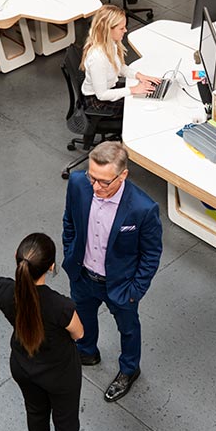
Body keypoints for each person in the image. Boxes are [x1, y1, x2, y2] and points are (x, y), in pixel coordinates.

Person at [62, 141, 163, 402]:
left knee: (128, 329)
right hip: (83, 275)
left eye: (104, 182)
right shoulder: (77, 184)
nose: (95, 187)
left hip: (120, 285)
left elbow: (151, 254)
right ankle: (87, 352)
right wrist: (70, 253)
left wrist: (135, 291)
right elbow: (69, 222)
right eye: (92, 177)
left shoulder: (143, 208)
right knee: (83, 317)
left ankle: (129, 369)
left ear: (124, 175)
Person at [0, 233, 88, 431]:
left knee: (35, 411)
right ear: (52, 266)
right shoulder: (60, 306)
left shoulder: (5, 292)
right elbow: (79, 334)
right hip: (60, 374)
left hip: (23, 367)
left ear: (16, 258)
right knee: (65, 418)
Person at [79, 4, 161, 117]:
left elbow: (118, 66)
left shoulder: (111, 44)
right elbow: (102, 95)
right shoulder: (98, 58)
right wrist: (133, 89)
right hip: (97, 101)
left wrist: (139, 76)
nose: (125, 30)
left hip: (109, 89)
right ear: (108, 30)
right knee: (141, 107)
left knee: (145, 93)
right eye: (121, 28)